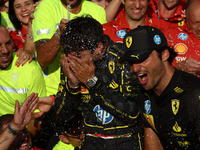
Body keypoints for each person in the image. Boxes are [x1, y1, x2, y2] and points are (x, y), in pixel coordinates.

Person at [36, 16, 143, 150]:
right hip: (91, 141)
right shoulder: (71, 59)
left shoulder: (123, 59)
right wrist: (72, 86)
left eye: (80, 56)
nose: (74, 62)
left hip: (126, 141)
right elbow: (62, 117)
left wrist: (93, 83)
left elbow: (133, 114)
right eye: (70, 55)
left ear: (98, 48)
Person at [119, 25, 200, 149]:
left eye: (142, 58)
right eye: (131, 62)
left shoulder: (194, 95)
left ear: (164, 55)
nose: (135, 68)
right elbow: (153, 146)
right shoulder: (144, 92)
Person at [32, 0, 107, 97]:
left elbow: (101, 55)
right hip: (55, 93)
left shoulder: (98, 10)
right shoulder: (46, 6)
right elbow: (42, 60)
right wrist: (59, 33)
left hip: (88, 92)